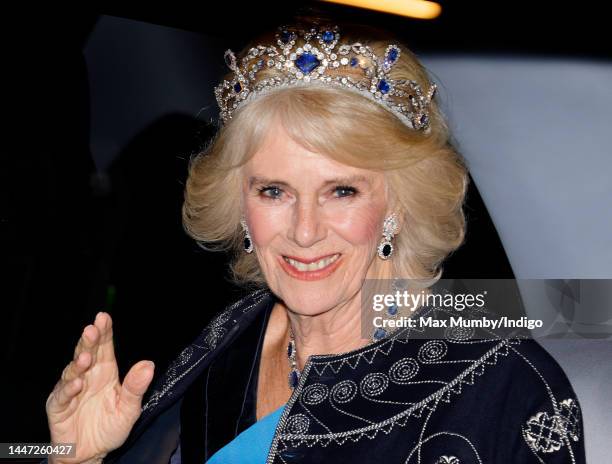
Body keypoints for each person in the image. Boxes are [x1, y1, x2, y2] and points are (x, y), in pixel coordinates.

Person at [44, 18, 586, 464]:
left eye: (341, 191)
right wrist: (75, 456)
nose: (304, 232)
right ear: (240, 203)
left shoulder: (503, 387)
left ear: (397, 204)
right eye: (274, 191)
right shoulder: (226, 343)